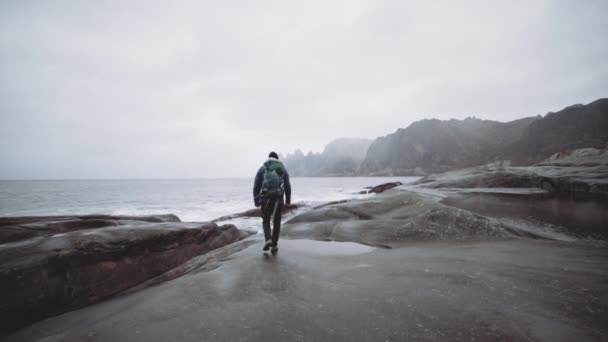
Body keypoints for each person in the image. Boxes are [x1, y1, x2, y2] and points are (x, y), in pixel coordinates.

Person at [253, 151, 291, 253]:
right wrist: (288, 200)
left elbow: (256, 185)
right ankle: (274, 245)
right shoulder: (282, 169)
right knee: (276, 221)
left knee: (266, 220)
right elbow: (287, 185)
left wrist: (256, 200)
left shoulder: (262, 168)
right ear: (277, 159)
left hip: (266, 199)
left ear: (268, 158)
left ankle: (268, 239)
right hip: (279, 199)